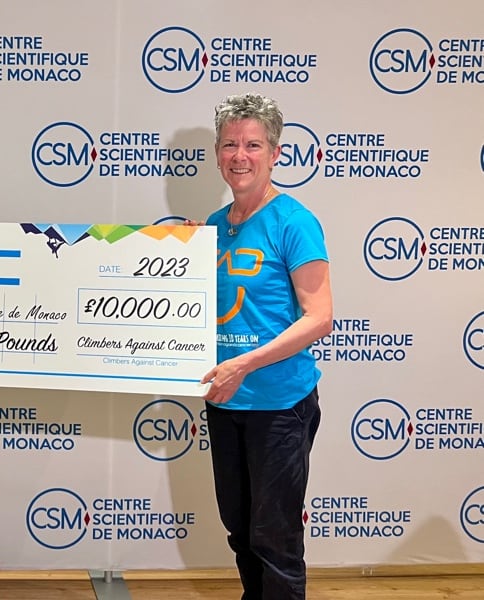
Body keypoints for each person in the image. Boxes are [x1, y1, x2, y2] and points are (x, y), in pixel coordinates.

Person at [199, 93, 333, 600]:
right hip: (225, 400)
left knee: (275, 539)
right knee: (240, 531)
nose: (240, 155)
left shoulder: (293, 222)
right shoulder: (212, 227)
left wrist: (244, 364)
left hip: (279, 404)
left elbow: (319, 318)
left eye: (253, 145)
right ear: (217, 153)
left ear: (275, 153)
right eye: (229, 144)